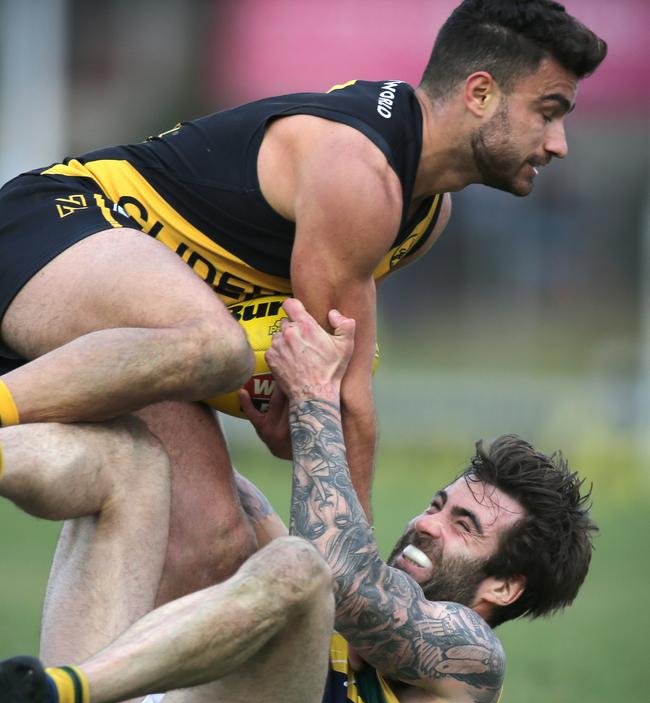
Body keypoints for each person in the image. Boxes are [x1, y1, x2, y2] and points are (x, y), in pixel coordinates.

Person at [0, 2, 607, 605]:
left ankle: (67, 701)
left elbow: (318, 370)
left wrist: (292, 415)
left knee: (213, 544)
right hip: (56, 224)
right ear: (480, 93)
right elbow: (348, 401)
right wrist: (358, 591)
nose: (559, 144)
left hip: (139, 331)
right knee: (214, 346)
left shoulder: (423, 217)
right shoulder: (359, 171)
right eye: (547, 112)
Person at [0, 299, 596, 703]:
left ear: (505, 588)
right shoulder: (308, 598)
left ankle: (51, 693)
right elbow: (213, 491)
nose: (425, 522)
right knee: (139, 454)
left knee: (300, 567)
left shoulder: (472, 664)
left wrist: (317, 400)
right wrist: (240, 408)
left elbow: (334, 573)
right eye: (437, 504)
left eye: (462, 525)